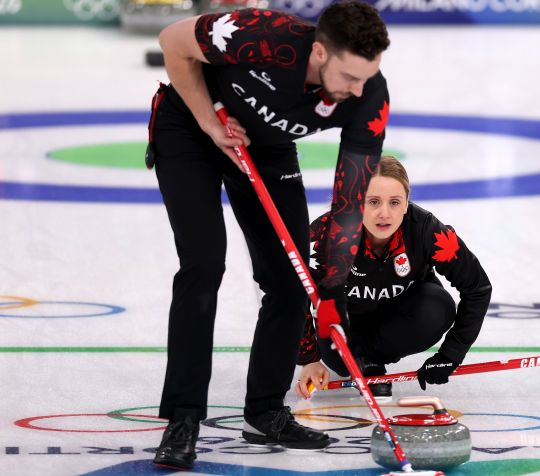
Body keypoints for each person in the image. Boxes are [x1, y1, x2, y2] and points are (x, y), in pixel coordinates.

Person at [146, 1, 390, 470]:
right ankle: (183, 416)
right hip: (192, 127)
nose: (359, 89)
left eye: (368, 77)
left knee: (291, 279)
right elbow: (172, 43)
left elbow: (349, 201)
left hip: (267, 148)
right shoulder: (262, 34)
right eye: (349, 77)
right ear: (319, 53)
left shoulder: (369, 97)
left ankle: (264, 411)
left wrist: (331, 290)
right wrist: (209, 123)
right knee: (203, 264)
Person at [294, 156, 492, 401]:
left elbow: (478, 287)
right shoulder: (326, 236)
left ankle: (370, 362)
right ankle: (358, 362)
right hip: (345, 332)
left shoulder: (429, 231)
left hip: (402, 317)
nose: (384, 213)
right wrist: (309, 359)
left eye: (395, 202)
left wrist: (450, 355)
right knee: (342, 360)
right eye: (374, 202)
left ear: (407, 203)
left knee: (437, 307)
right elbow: (295, 292)